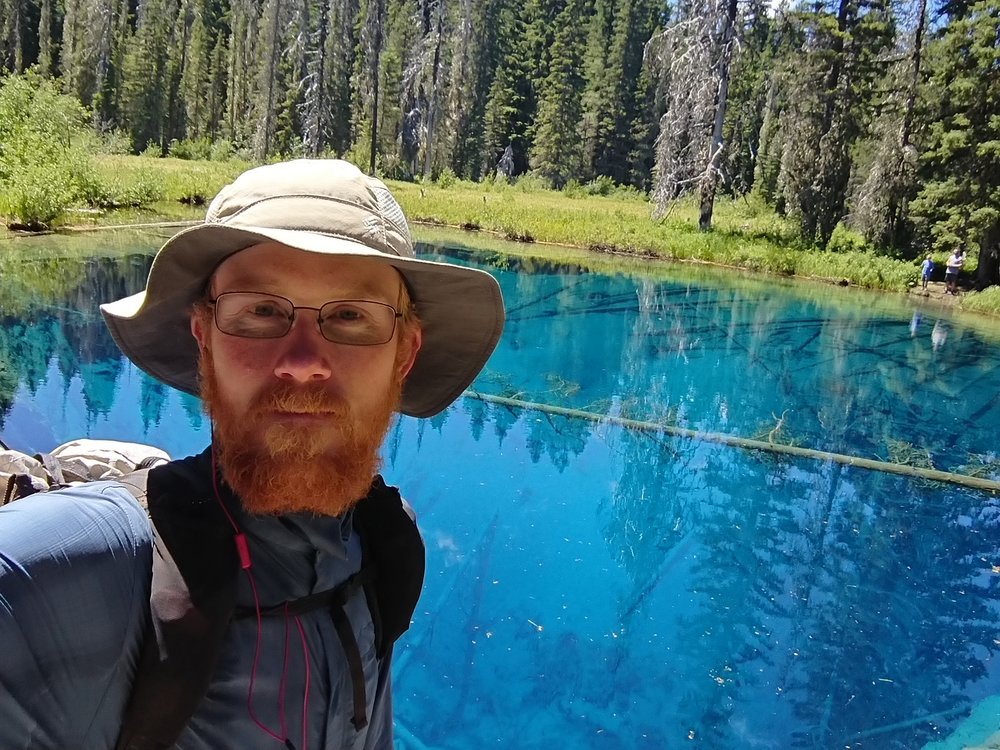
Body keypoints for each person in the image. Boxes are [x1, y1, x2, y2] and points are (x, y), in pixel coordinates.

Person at [0, 159, 506, 749]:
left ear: (406, 354)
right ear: (204, 339)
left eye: (349, 316)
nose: (302, 360)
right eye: (261, 311)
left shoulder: (382, 547)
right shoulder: (75, 571)